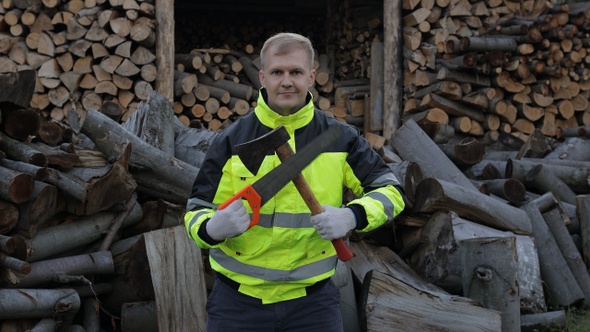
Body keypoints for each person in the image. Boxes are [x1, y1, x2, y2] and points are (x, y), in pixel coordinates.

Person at [184, 32, 405, 332]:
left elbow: (392, 191)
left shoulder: (339, 139)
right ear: (262, 77)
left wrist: (353, 215)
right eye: (277, 72)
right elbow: (196, 210)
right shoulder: (231, 141)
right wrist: (211, 229)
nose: (286, 81)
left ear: (311, 77)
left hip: (313, 307)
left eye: (296, 72)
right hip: (237, 306)